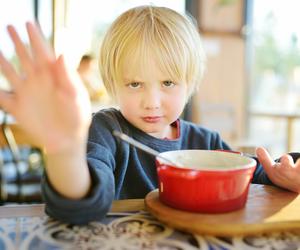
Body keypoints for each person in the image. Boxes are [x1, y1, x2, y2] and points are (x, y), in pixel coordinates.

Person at [0, 6, 300, 225]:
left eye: (168, 83)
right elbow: (80, 206)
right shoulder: (106, 130)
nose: (152, 102)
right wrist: (64, 150)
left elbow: (257, 174)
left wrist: (286, 173)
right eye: (135, 84)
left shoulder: (204, 140)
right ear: (112, 84)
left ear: (190, 83)